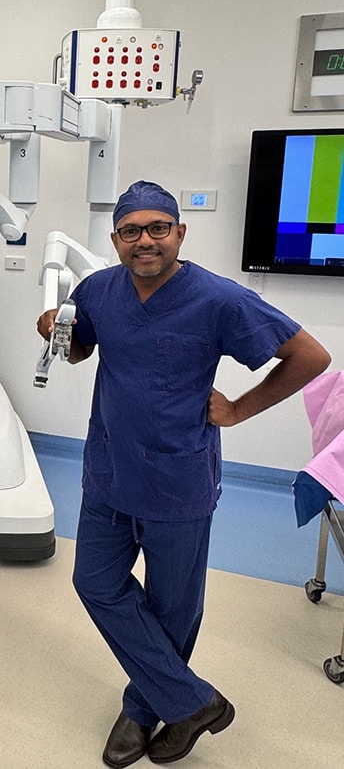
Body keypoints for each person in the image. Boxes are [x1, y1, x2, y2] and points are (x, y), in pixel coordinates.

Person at [35, 180, 330, 767]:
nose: (144, 241)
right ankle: (194, 702)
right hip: (109, 469)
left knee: (173, 608)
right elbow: (79, 350)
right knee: (95, 583)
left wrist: (238, 409)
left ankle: (142, 708)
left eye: (157, 228)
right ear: (115, 239)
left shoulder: (219, 299)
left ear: (180, 232)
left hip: (178, 480)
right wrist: (55, 331)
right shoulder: (97, 290)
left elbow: (310, 356)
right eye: (131, 231)